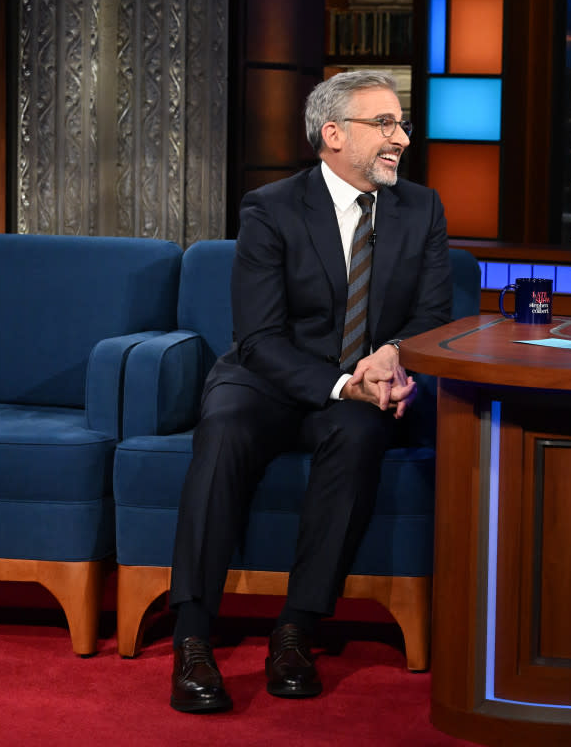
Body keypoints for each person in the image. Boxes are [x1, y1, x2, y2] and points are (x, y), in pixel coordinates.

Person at [168, 70, 452, 714]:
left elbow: (434, 314)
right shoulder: (270, 209)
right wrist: (341, 381)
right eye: (383, 124)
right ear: (332, 134)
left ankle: (295, 630)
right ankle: (192, 636)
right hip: (268, 379)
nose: (401, 138)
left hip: (365, 386)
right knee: (224, 428)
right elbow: (260, 337)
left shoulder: (421, 209)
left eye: (401, 123)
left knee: (359, 436)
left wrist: (392, 355)